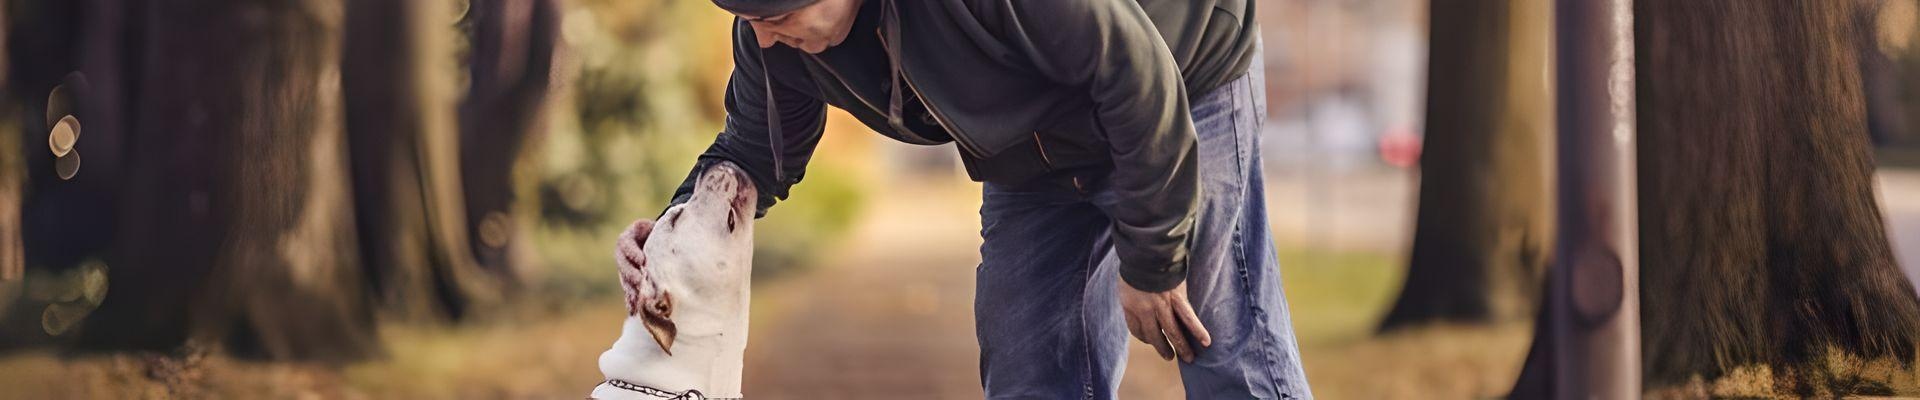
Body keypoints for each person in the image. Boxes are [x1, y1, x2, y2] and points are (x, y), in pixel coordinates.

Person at [664, 0, 1311, 397]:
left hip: (1179, 76)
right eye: (750, 20)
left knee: (1222, 342)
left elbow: (1135, 76)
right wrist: (673, 235)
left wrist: (1153, 260)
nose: (767, 38)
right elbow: (753, 152)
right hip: (1033, 150)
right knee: (1028, 363)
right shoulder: (773, 40)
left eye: (777, 16)